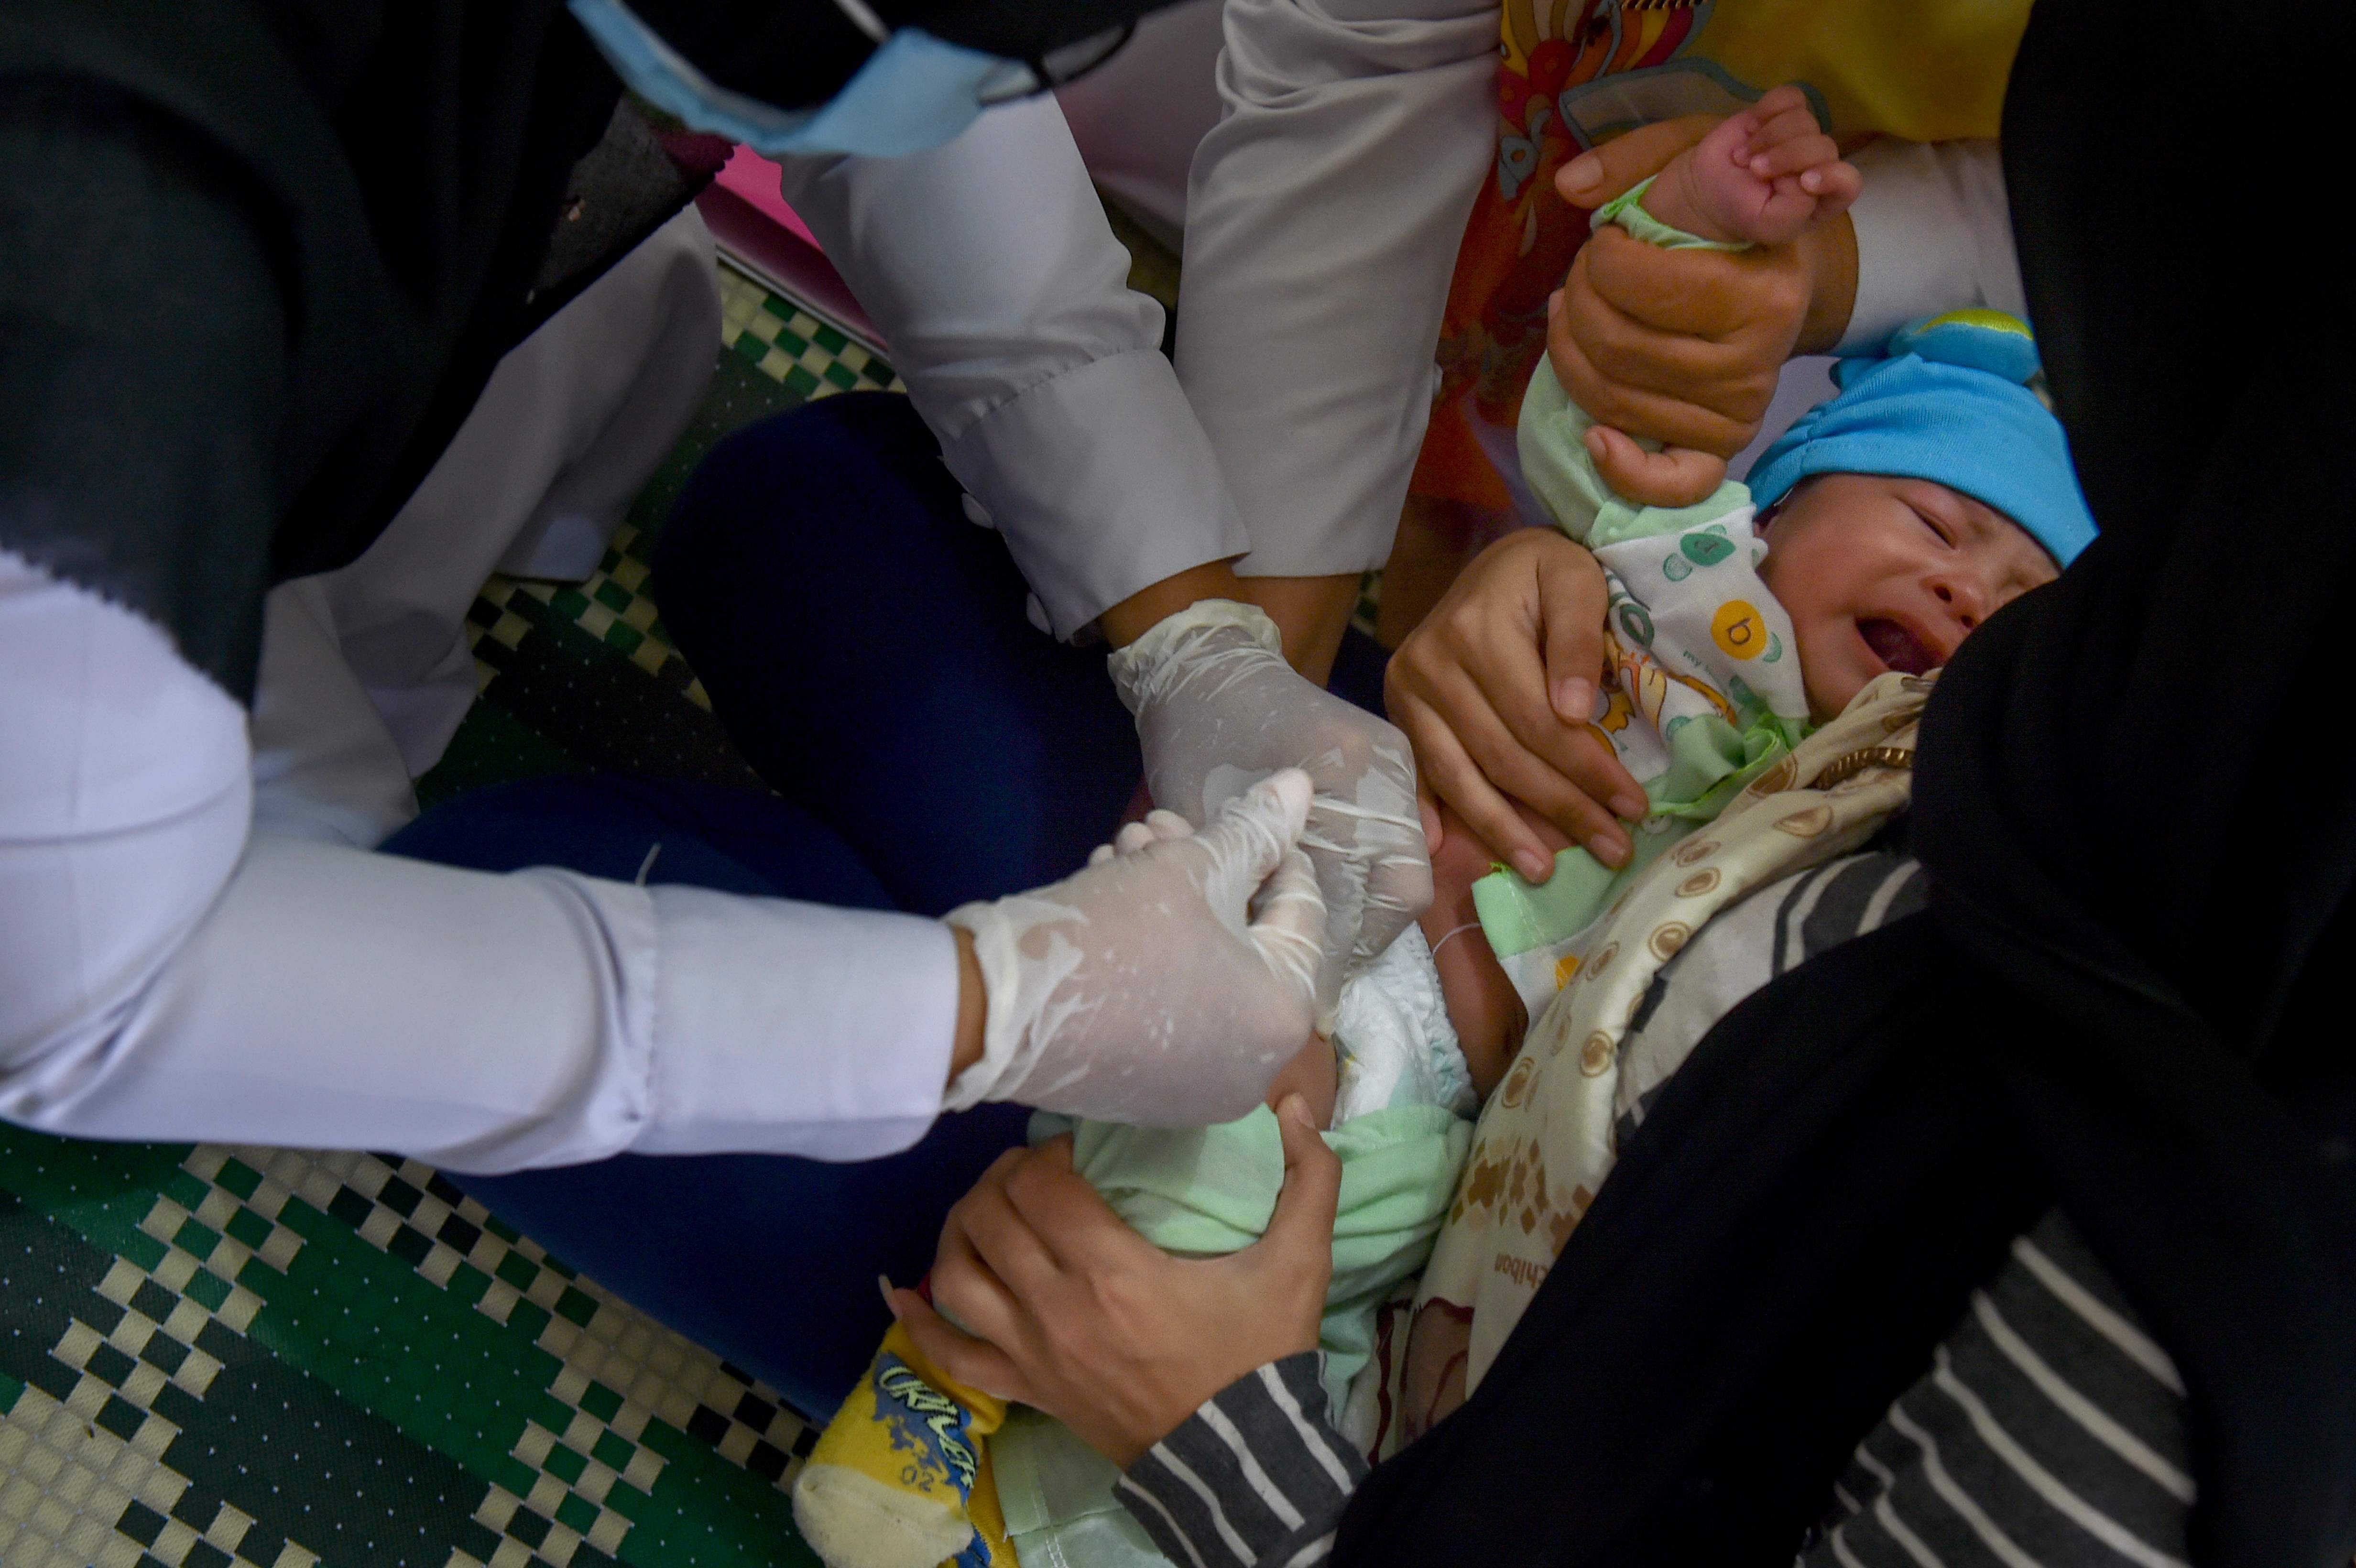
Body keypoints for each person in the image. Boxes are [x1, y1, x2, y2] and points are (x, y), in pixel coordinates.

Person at [873, 3, 2356, 1563]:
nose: (1962, 594)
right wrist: (1258, 681)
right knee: (808, 546)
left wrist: (1211, 1427)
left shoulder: (2178, 1331)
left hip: (1367, 1353)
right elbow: (1619, 425)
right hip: (1368, 1115)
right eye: (1928, 520)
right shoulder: (1878, 702)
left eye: (2023, 585)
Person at [0, 0, 1431, 1425]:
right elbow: (91, 989)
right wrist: (984, 1013)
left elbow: (897, 89)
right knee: (318, 905)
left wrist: (1192, 632)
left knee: (694, 458)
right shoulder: (106, 247)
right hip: (97, 577)